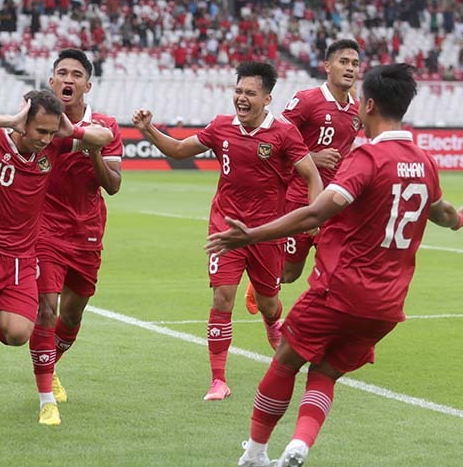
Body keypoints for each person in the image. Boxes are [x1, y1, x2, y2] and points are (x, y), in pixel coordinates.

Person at [206, 64, 463, 467]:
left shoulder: (367, 158)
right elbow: (442, 212)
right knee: (326, 372)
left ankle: (257, 452)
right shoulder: (425, 162)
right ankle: (299, 444)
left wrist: (250, 236)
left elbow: (316, 212)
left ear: (368, 104)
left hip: (339, 291)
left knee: (286, 360)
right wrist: (459, 220)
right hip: (387, 306)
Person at [132, 61, 323, 401]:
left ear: (267, 99)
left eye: (250, 93)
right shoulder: (221, 127)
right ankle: (218, 379)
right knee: (222, 297)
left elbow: (311, 175)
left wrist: (317, 213)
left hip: (267, 231)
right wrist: (149, 129)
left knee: (269, 303)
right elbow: (178, 150)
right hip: (226, 227)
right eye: (238, 91)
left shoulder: (283, 133)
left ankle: (271, 323)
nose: (242, 98)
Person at [0, 90, 113, 431]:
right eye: (40, 131)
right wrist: (10, 120)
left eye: (51, 132)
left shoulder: (54, 146)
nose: (45, 139)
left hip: (21, 257)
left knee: (18, 333)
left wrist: (70, 131)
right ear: (24, 123)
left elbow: (104, 137)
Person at [28, 48, 123, 426]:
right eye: (62, 73)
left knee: (72, 313)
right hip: (45, 230)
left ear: (87, 84)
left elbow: (113, 186)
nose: (68, 79)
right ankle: (45, 398)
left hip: (87, 232)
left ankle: (49, 367)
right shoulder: (38, 120)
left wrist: (93, 153)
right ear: (52, 81)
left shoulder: (106, 125)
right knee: (46, 309)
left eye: (76, 74)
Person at [244, 38, 361, 315]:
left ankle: (324, 320)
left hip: (334, 202)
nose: (350, 68)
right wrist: (312, 157)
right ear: (327, 66)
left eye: (355, 63)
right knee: (289, 273)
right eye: (343, 62)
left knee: (337, 269)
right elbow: (276, 137)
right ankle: (260, 284)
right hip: (299, 199)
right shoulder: (307, 100)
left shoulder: (357, 110)